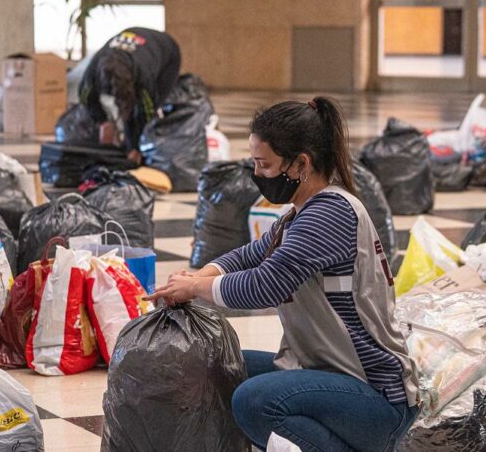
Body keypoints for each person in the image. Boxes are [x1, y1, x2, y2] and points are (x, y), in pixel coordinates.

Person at [145, 97, 420, 451]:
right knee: (220, 368)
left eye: (265, 164)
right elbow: (251, 254)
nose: (257, 175)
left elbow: (264, 285)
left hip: (376, 397)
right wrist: (201, 274)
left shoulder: (329, 214)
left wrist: (197, 288)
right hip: (327, 374)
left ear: (300, 164)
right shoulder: (300, 214)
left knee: (254, 401)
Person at [79, 27, 181, 165]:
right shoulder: (95, 67)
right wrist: (103, 121)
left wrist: (135, 146)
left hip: (167, 52)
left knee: (143, 109)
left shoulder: (144, 76)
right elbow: (86, 97)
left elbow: (145, 113)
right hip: (135, 42)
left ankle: (147, 148)